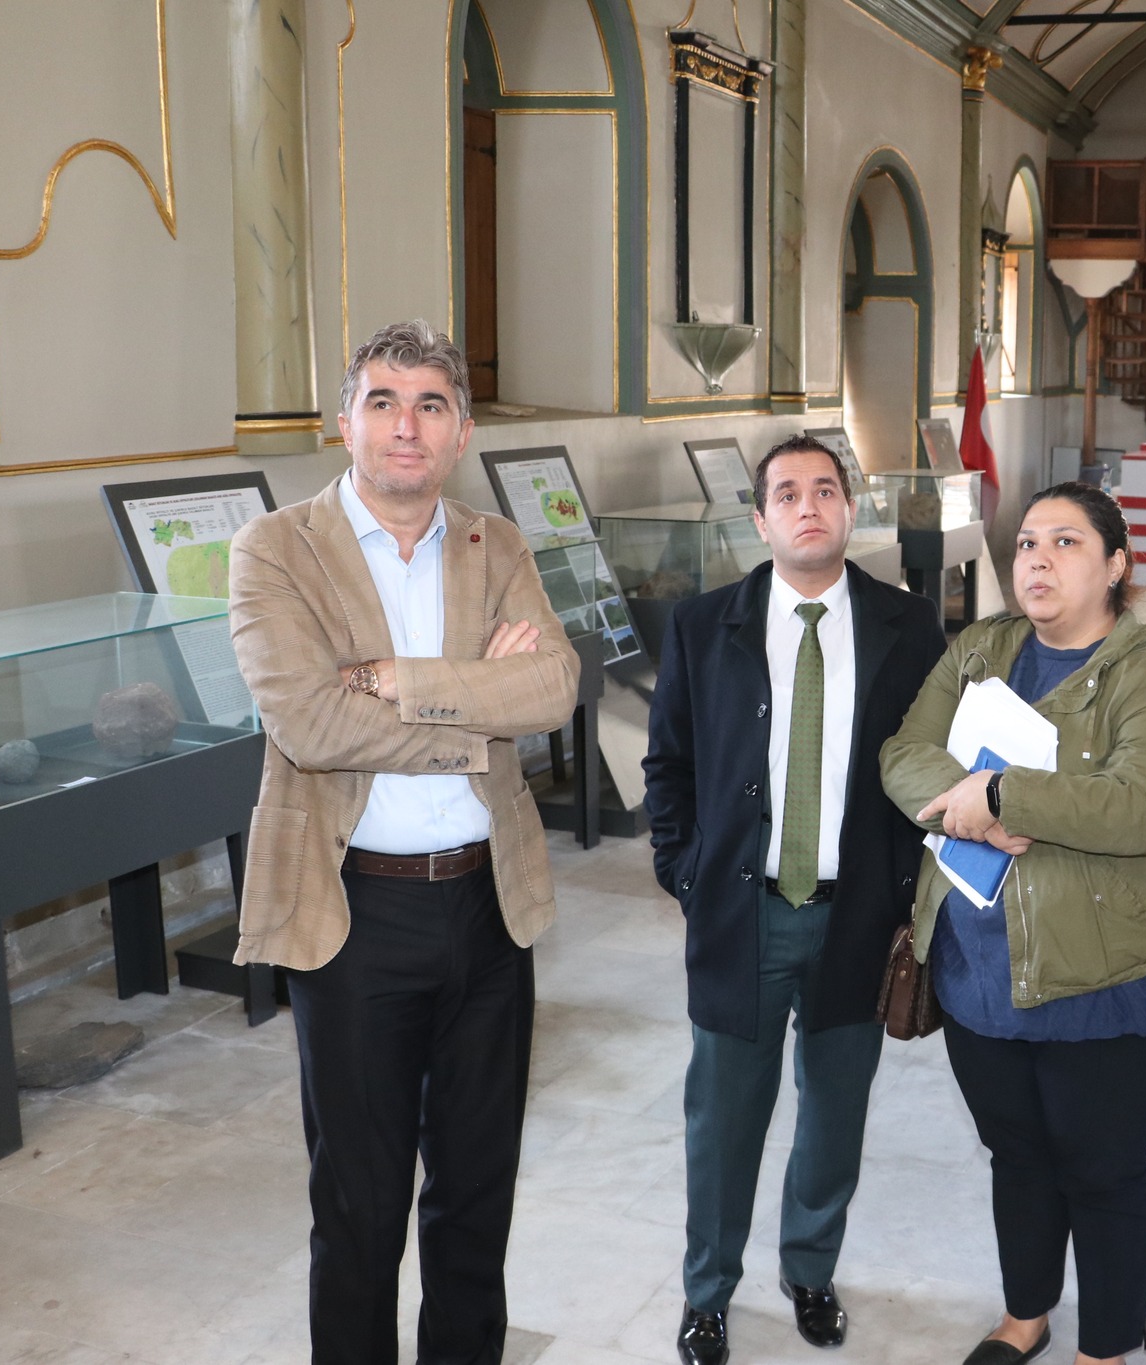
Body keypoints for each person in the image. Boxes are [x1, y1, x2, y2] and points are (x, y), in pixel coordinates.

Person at [227, 320, 581, 1365]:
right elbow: (312, 725)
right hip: (353, 915)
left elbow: (553, 689)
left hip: (487, 908)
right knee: (360, 1203)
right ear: (344, 424)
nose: (405, 426)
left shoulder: (495, 543)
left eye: (431, 404)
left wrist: (397, 682)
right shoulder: (275, 550)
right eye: (381, 401)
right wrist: (479, 706)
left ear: (461, 431)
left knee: (476, 1193)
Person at [880, 482, 1146, 1365]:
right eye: (1028, 541)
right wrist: (970, 805)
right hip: (979, 964)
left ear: (1115, 565)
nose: (1037, 558)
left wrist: (1002, 793)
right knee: (1017, 1153)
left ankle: (1104, 1348)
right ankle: (1025, 1314)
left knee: (1101, 1168)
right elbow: (905, 752)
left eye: (1066, 542)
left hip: (1109, 972)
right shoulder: (982, 649)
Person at [643, 435, 944, 1365]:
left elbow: (934, 761)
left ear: (850, 509)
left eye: (824, 490)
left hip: (859, 915)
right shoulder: (704, 625)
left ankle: (810, 1271)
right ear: (760, 518)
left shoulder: (908, 625)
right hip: (744, 913)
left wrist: (909, 892)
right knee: (723, 1119)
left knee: (835, 1112)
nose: (807, 506)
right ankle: (707, 1293)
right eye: (786, 493)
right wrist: (685, 872)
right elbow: (669, 763)